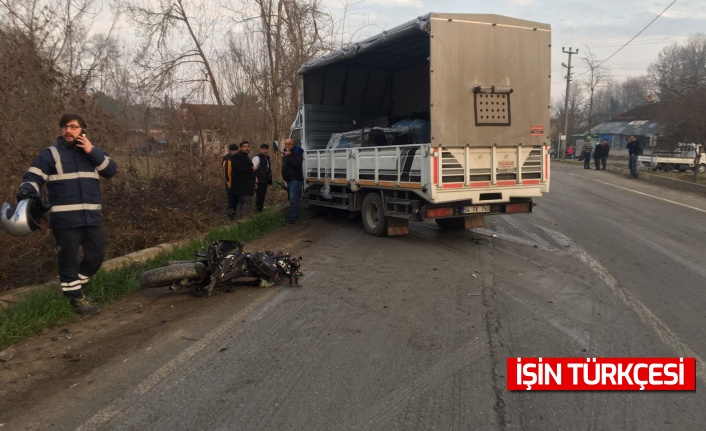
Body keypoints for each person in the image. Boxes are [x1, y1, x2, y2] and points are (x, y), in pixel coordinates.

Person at [16, 113, 118, 314]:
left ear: (83, 130)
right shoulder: (50, 154)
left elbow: (111, 170)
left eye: (73, 127)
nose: (68, 130)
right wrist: (26, 191)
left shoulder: (93, 154)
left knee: (96, 255)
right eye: (64, 127)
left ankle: (74, 288)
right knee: (68, 260)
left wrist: (92, 150)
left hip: (92, 218)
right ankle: (76, 299)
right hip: (65, 220)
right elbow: (33, 176)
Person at [232, 140, 256, 218]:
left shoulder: (245, 156)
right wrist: (251, 169)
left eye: (248, 147)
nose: (246, 148)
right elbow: (238, 169)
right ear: (241, 148)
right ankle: (245, 219)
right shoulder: (237, 157)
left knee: (241, 202)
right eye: (244, 147)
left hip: (247, 184)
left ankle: (239, 219)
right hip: (242, 185)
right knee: (248, 201)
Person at [282, 138, 304, 224]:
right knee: (292, 199)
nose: (287, 145)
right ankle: (294, 215)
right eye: (286, 144)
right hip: (289, 180)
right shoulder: (285, 153)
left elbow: (297, 164)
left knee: (293, 199)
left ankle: (293, 217)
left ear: (293, 144)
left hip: (295, 179)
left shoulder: (297, 152)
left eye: (289, 144)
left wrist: (289, 156)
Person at [252, 143, 272, 213]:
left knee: (262, 196)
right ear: (261, 149)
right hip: (258, 181)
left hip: (264, 181)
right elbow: (253, 169)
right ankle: (258, 212)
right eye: (263, 149)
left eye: (266, 149)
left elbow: (268, 170)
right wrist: (255, 179)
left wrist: (269, 181)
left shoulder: (267, 158)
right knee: (259, 197)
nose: (265, 151)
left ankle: (260, 211)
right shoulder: (257, 158)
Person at [222, 143, 239, 219]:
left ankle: (235, 216)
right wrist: (230, 185)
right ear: (230, 151)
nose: (234, 152)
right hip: (231, 185)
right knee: (231, 202)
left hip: (237, 184)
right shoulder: (227, 160)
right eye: (233, 150)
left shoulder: (236, 159)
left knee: (236, 202)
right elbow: (227, 175)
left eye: (236, 150)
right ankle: (230, 217)